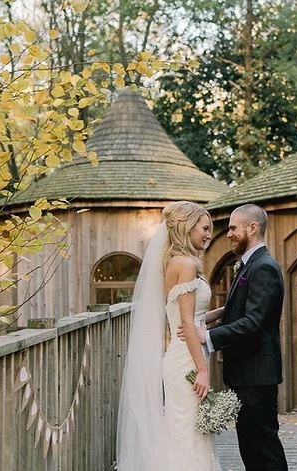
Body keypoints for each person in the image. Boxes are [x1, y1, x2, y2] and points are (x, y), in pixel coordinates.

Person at [116, 201, 223, 471]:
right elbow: (186, 322)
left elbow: (191, 320)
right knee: (189, 430)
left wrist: (224, 310)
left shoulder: (177, 262)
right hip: (186, 361)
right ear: (188, 227)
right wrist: (201, 370)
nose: (209, 235)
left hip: (184, 353)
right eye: (205, 228)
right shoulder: (185, 264)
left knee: (187, 428)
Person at [190, 203, 288, 470]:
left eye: (233, 227)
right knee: (251, 448)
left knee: (265, 450)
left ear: (252, 227)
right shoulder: (248, 264)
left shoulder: (263, 267)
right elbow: (241, 310)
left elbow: (253, 322)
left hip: (257, 375)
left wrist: (208, 336)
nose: (229, 233)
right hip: (246, 374)